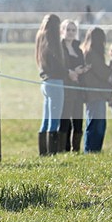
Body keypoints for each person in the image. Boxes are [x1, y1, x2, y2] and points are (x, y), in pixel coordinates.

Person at [35, 13, 68, 155]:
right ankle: (52, 153)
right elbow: (57, 63)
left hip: (45, 82)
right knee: (54, 120)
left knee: (46, 119)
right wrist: (68, 73)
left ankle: (43, 152)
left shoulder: (40, 37)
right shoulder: (52, 39)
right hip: (55, 82)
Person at [80, 27, 112, 152]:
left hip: (94, 93)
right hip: (95, 94)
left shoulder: (87, 52)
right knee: (96, 124)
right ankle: (91, 150)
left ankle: (92, 150)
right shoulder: (91, 54)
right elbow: (103, 73)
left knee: (94, 122)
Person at [58, 20, 88, 152]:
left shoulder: (78, 49)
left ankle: (76, 150)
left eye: (73, 30)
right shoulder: (59, 48)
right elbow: (59, 68)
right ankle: (63, 149)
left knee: (77, 119)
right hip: (65, 88)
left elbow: (81, 65)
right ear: (62, 31)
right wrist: (71, 72)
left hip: (78, 88)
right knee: (65, 120)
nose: (70, 33)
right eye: (68, 30)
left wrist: (82, 70)